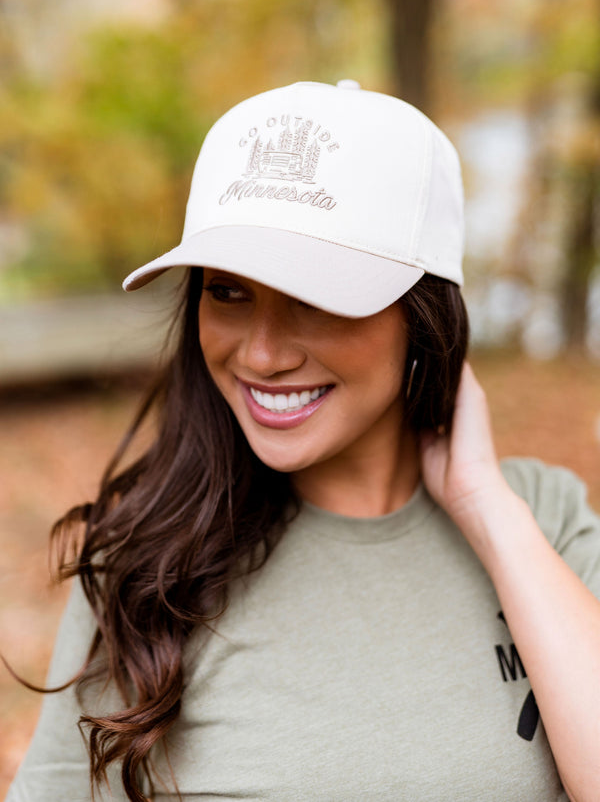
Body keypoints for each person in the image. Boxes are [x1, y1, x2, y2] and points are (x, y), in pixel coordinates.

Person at [7, 80, 600, 802]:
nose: (261, 354)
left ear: (424, 314)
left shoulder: (541, 517)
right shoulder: (146, 558)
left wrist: (485, 505)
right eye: (227, 291)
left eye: (316, 299)